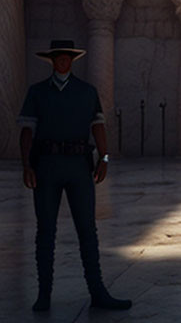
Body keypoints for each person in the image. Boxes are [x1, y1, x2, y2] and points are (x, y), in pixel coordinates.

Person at [18, 39, 132, 312]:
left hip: (79, 167)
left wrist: (104, 157)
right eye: (58, 58)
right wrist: (26, 165)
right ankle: (44, 295)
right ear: (52, 60)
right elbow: (27, 132)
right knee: (45, 231)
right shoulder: (37, 93)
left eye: (67, 58)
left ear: (72, 60)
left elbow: (98, 128)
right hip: (46, 166)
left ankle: (98, 292)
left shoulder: (86, 92)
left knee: (87, 231)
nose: (63, 62)